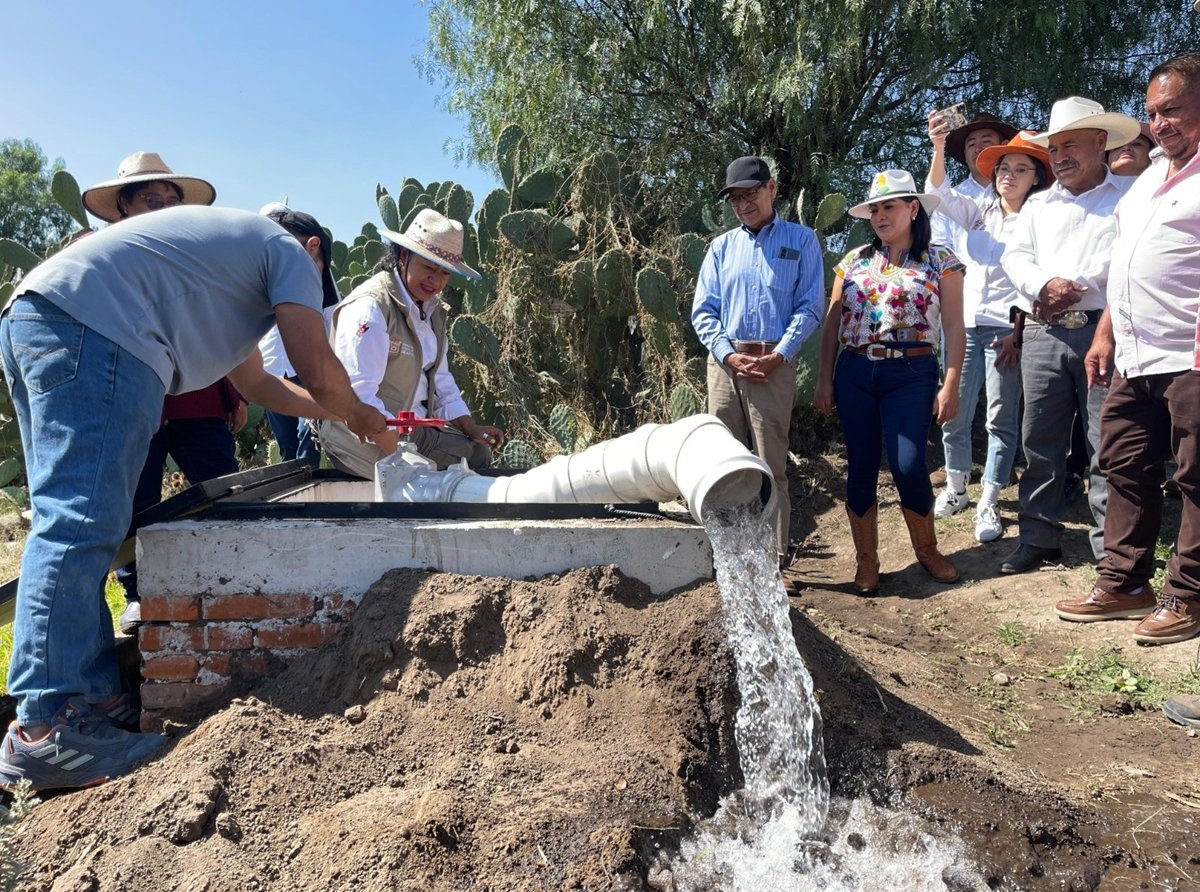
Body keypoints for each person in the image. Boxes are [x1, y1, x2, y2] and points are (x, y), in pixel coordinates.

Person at [0, 206, 388, 792]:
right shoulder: (288, 252)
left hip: (45, 317)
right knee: (79, 523)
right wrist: (361, 414)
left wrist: (342, 414)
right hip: (94, 332)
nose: (312, 292)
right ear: (312, 250)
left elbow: (259, 385)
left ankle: (97, 702)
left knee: (79, 522)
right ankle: (46, 727)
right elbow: (312, 362)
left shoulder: (222, 271)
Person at [1053, 53, 1200, 645]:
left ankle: (1189, 594)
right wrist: (1107, 331)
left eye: (1172, 111)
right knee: (1121, 463)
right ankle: (1124, 582)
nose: (1159, 124)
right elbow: (1127, 265)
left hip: (1190, 352)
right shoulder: (1144, 182)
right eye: (1152, 114)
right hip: (1134, 354)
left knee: (1196, 477)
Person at [81, 152, 249, 635]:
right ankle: (138, 596)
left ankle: (232, 579)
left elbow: (216, 327)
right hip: (133, 402)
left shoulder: (192, 257)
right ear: (124, 205)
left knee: (222, 489)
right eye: (150, 199)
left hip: (198, 398)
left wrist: (233, 391)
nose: (161, 207)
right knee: (134, 500)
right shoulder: (99, 255)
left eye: (169, 200)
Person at [998, 97, 1140, 575]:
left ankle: (1111, 551)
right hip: (1043, 333)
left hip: (1106, 332)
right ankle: (1038, 538)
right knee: (1039, 440)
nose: (1059, 156)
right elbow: (1015, 258)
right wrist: (1042, 286)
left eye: (1070, 145)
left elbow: (1129, 259)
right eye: (1054, 147)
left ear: (1101, 143)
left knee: (1108, 444)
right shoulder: (1038, 205)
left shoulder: (1131, 198)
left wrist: (1071, 286)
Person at [814, 170, 965, 591]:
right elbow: (831, 325)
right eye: (875, 209)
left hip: (912, 372)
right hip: (856, 370)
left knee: (908, 463)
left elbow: (954, 327)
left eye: (890, 207)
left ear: (913, 209)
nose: (881, 216)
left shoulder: (942, 261)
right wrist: (824, 379)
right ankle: (867, 561)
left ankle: (927, 550)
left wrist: (950, 382)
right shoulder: (854, 261)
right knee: (860, 464)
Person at [691, 155, 824, 568]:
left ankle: (773, 562)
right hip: (725, 366)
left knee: (771, 468)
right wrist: (728, 354)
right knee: (723, 466)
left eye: (751, 193)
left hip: (774, 364)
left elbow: (810, 306)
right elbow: (704, 311)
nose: (744, 204)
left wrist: (779, 354)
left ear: (772, 188)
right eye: (735, 198)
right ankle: (728, 559)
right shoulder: (720, 248)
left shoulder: (802, 241)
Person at [925, 127, 1054, 542]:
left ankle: (991, 499)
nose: (1008, 176)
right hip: (963, 325)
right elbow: (939, 192)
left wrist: (1020, 330)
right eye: (1003, 168)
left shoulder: (1041, 221)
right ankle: (957, 487)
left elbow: (1035, 281)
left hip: (1006, 328)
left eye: (1020, 169)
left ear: (1036, 177)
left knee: (1000, 417)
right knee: (954, 410)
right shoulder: (979, 211)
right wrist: (939, 146)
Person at [319, 208, 504, 477]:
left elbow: (441, 381)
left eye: (445, 273)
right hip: (364, 437)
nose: (436, 280)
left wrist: (470, 428)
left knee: (477, 455)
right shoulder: (370, 307)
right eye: (428, 267)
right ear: (403, 256)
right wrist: (401, 461)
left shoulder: (432, 310)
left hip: (412, 431)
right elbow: (359, 400)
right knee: (446, 480)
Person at [257, 203, 330, 469]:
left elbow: (332, 316)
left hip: (309, 368)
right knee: (286, 443)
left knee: (307, 436)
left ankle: (309, 494)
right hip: (273, 368)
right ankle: (292, 501)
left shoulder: (316, 270)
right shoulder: (257, 271)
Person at [929, 113, 1018, 254]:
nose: (978, 148)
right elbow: (939, 247)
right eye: (971, 144)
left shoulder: (1023, 189)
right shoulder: (953, 197)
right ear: (964, 153)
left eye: (986, 141)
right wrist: (938, 148)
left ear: (1004, 146)